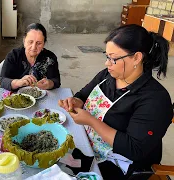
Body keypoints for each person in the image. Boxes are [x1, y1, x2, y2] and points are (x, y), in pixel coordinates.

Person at [59, 24, 173, 180]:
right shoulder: (108, 75)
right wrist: (75, 101)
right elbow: (83, 95)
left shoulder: (155, 99)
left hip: (120, 164)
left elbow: (134, 148)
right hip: (89, 142)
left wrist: (91, 121)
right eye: (107, 56)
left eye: (113, 58)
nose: (107, 63)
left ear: (137, 58)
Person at [0, 23, 61, 90]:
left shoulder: (50, 58)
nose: (34, 47)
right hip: (17, 97)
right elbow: (2, 81)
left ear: (44, 44)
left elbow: (56, 81)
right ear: (24, 41)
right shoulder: (14, 55)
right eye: (30, 42)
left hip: (43, 96)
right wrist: (18, 82)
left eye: (39, 43)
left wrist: (50, 83)